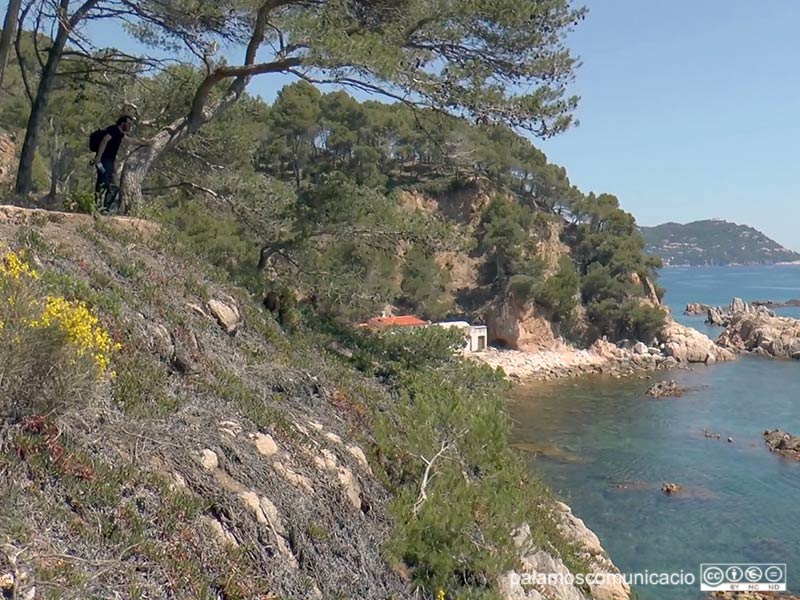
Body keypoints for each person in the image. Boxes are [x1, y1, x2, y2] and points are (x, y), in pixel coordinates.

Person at [90, 115, 151, 211]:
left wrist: (144, 142)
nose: (130, 126)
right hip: (104, 162)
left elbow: (130, 141)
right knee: (108, 185)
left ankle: (100, 208)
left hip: (108, 162)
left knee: (106, 185)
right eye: (129, 124)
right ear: (122, 123)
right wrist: (98, 158)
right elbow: (104, 141)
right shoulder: (114, 130)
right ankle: (101, 208)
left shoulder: (120, 134)